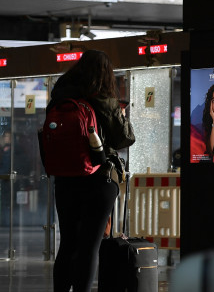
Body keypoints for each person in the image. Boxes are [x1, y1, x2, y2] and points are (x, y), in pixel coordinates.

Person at [48, 49, 132, 292]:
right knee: (89, 246)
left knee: (67, 244)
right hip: (97, 179)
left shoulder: (60, 97)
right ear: (105, 73)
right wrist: (122, 115)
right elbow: (124, 138)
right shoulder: (103, 99)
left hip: (64, 179)